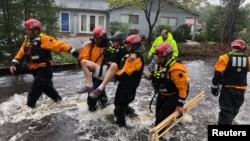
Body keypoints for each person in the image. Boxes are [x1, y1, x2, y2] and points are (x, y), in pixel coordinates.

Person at [9, 18, 79, 108]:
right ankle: (61, 102)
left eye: (29, 30)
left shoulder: (44, 39)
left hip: (44, 70)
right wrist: (14, 63)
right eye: (26, 29)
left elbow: (59, 45)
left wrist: (74, 53)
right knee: (49, 90)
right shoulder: (27, 40)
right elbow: (21, 52)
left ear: (36, 30)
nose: (27, 31)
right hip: (35, 70)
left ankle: (28, 112)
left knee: (33, 93)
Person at [143, 42, 189, 128]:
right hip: (162, 95)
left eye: (161, 57)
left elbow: (183, 88)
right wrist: (149, 77)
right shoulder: (160, 64)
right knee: (158, 116)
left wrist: (180, 105)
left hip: (172, 97)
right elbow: (159, 76)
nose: (158, 58)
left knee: (160, 122)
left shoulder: (176, 69)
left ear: (168, 57)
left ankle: (160, 135)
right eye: (157, 56)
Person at [211, 39, 250, 125]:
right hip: (241, 90)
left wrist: (214, 87)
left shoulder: (224, 58)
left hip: (228, 89)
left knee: (226, 111)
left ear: (232, 47)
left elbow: (218, 73)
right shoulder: (248, 60)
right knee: (234, 110)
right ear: (243, 49)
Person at [77, 26, 111, 111]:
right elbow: (84, 58)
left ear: (103, 37)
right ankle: (105, 107)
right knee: (100, 93)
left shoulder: (110, 46)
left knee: (92, 95)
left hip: (103, 73)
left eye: (98, 38)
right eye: (95, 38)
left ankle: (92, 110)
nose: (96, 40)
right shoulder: (91, 45)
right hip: (94, 72)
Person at [114, 34, 145, 127]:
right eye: (126, 45)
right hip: (123, 85)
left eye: (129, 46)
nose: (127, 47)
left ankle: (122, 130)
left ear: (135, 46)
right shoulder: (130, 54)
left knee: (119, 110)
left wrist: (113, 73)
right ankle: (133, 115)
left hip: (129, 88)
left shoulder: (136, 59)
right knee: (117, 104)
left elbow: (124, 74)